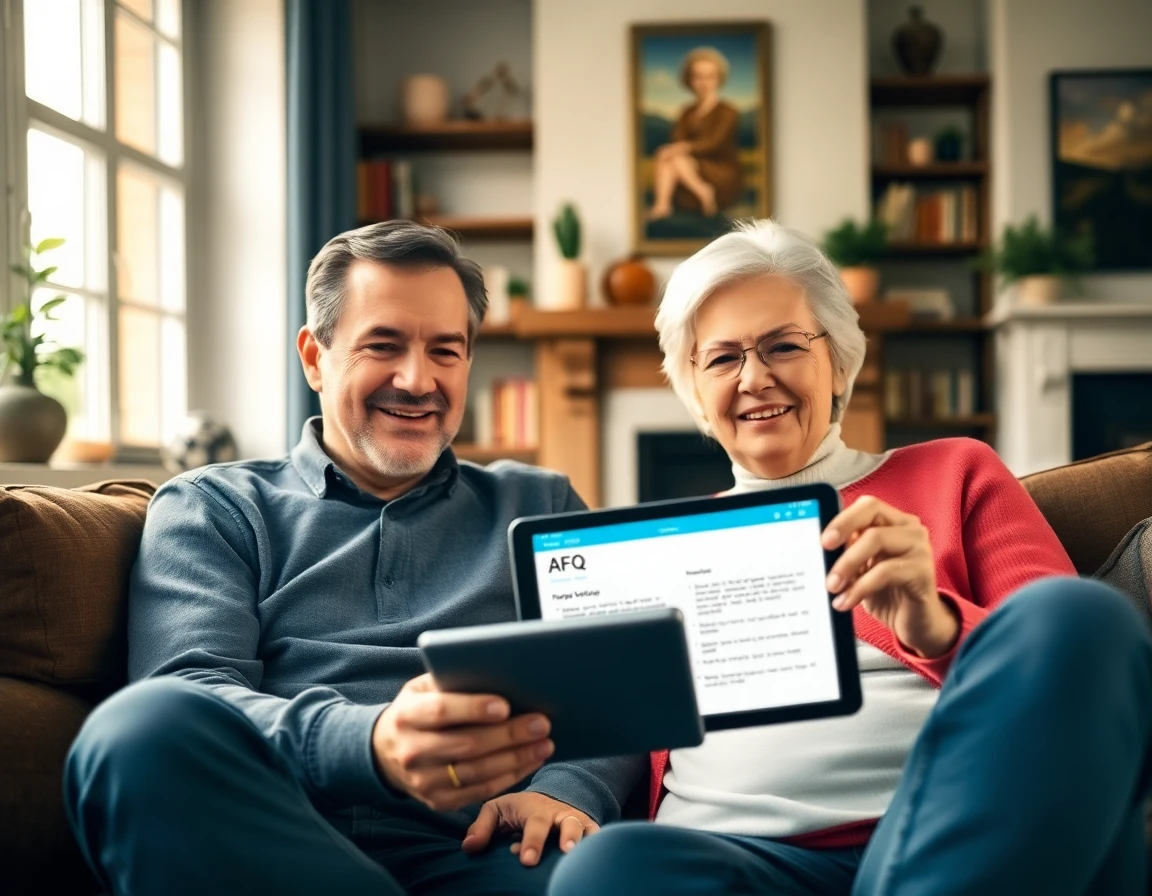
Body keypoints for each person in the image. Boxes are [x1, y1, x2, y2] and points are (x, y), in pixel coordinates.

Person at [549, 219, 1152, 895]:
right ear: (693, 387)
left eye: (783, 345)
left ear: (837, 360)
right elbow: (613, 717)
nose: (754, 378)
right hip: (732, 857)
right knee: (609, 868)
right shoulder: (659, 548)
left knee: (1079, 615)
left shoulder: (955, 472)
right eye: (722, 358)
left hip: (937, 836)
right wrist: (564, 783)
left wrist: (934, 625)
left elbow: (1063, 670)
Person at [63, 221, 645, 895]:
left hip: (488, 851)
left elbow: (617, 684)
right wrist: (373, 744)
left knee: (633, 870)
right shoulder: (214, 507)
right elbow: (195, 692)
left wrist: (574, 789)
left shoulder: (540, 501)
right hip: (284, 841)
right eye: (384, 345)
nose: (417, 379)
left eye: (446, 351)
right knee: (135, 732)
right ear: (314, 356)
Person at [647, 46, 742, 221]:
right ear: (689, 80)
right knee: (670, 157)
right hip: (690, 167)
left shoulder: (727, 111)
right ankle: (672, 201)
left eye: (710, 77)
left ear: (718, 79)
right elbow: (677, 139)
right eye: (698, 77)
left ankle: (664, 204)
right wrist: (678, 149)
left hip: (719, 169)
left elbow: (714, 143)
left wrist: (682, 148)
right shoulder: (687, 112)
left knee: (672, 156)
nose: (704, 83)